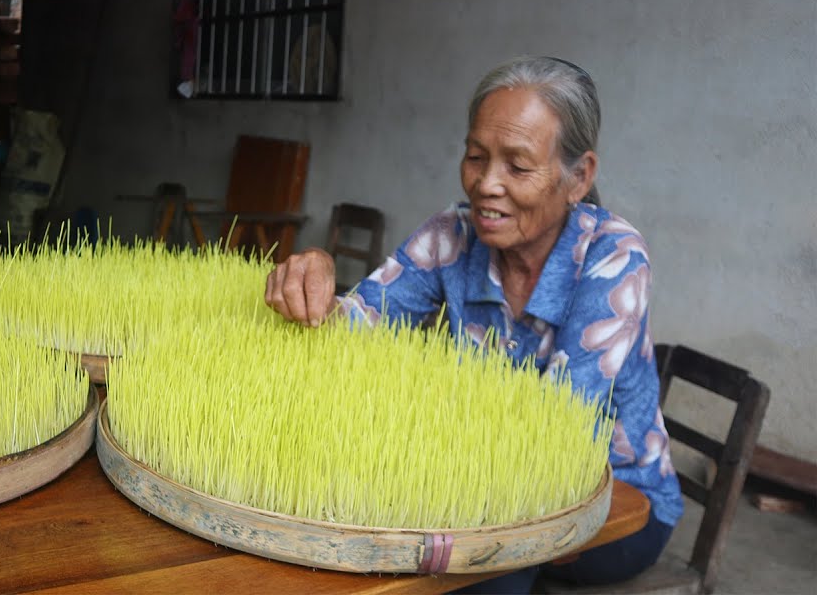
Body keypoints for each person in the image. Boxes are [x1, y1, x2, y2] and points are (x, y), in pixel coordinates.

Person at [264, 56, 682, 593]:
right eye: (476, 157)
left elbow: (552, 432)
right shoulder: (451, 234)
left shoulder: (613, 256)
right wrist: (315, 280)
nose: (486, 184)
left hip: (617, 501)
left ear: (579, 176)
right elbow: (353, 329)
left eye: (518, 166)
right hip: (487, 492)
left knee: (482, 571)